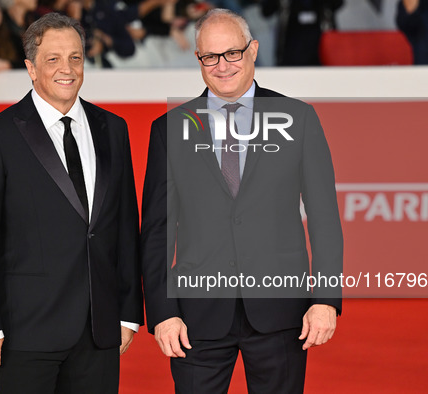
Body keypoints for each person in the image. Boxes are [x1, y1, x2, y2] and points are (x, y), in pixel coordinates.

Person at [141, 8, 343, 393]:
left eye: (231, 53)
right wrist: (163, 312)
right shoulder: (170, 129)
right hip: (195, 318)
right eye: (209, 57)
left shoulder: (298, 119)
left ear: (252, 50)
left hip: (281, 313)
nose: (221, 66)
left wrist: (326, 299)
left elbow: (324, 218)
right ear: (198, 59)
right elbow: (156, 230)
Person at [0, 12, 143, 393]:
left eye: (75, 57)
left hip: (99, 332)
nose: (67, 69)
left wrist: (127, 313)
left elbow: (125, 226)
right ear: (31, 68)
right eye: (53, 59)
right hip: (25, 332)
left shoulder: (113, 128)